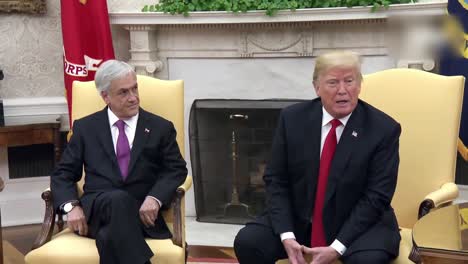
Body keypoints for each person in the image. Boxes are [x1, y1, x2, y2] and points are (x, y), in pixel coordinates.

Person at [234, 51, 401, 264]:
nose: (343, 90)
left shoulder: (383, 129)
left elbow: (376, 196)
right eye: (333, 82)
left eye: (349, 81)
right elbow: (276, 180)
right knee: (249, 242)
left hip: (358, 225)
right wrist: (287, 235)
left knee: (368, 260)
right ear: (317, 87)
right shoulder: (292, 119)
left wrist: (337, 247)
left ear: (359, 85)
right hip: (300, 218)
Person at [51, 60, 188, 264]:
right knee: (117, 199)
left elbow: (176, 169)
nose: (133, 98)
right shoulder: (86, 128)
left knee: (108, 238)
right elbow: (63, 174)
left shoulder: (160, 127)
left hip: (141, 215)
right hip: (96, 212)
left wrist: (155, 198)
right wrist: (71, 207)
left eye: (134, 89)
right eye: (124, 92)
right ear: (105, 96)